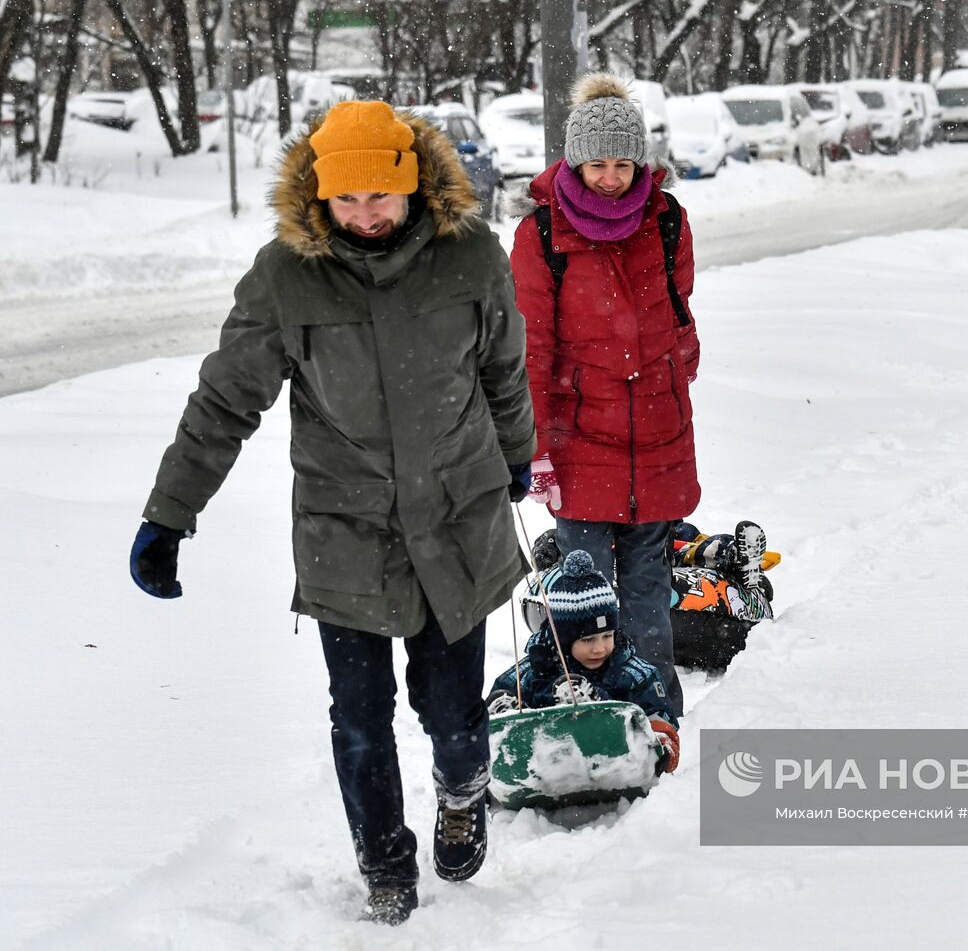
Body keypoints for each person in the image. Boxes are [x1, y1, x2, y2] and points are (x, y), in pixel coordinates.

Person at [127, 101, 536, 927]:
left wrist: (517, 453)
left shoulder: (471, 257)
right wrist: (171, 512)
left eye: (379, 198)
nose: (365, 216)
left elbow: (504, 367)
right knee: (358, 715)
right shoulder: (286, 275)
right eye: (346, 201)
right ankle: (385, 863)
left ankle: (462, 793)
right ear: (321, 196)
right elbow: (224, 400)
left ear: (412, 183)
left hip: (457, 517)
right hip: (343, 527)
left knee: (454, 718)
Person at [511, 72, 700, 721]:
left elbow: (680, 316)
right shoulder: (541, 236)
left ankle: (656, 721)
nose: (612, 178)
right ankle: (576, 718)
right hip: (577, 445)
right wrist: (533, 447)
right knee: (582, 597)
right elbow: (529, 351)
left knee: (648, 599)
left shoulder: (668, 220)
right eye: (598, 164)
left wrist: (675, 378)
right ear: (574, 159)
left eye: (624, 163)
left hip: (658, 440)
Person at [489, 550, 680, 772]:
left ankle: (591, 711)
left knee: (619, 720)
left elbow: (661, 717)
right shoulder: (536, 668)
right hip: (543, 767)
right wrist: (500, 709)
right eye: (587, 639)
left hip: (617, 764)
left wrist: (662, 744)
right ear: (563, 639)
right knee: (507, 705)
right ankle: (513, 731)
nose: (600, 648)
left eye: (607, 636)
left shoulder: (636, 674)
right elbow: (500, 691)